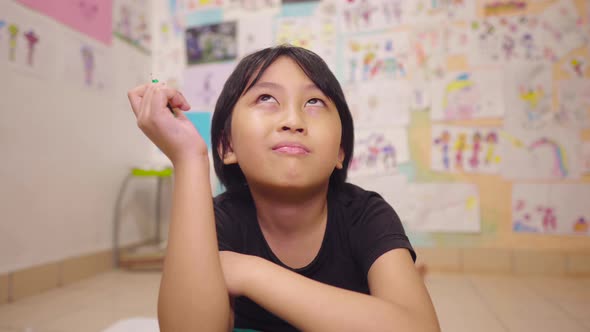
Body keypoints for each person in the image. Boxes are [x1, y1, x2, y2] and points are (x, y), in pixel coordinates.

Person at [127, 45, 440, 332]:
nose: (293, 120)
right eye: (266, 99)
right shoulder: (215, 221)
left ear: (340, 152)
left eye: (314, 101)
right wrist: (189, 159)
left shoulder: (366, 214)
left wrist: (250, 273)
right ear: (227, 145)